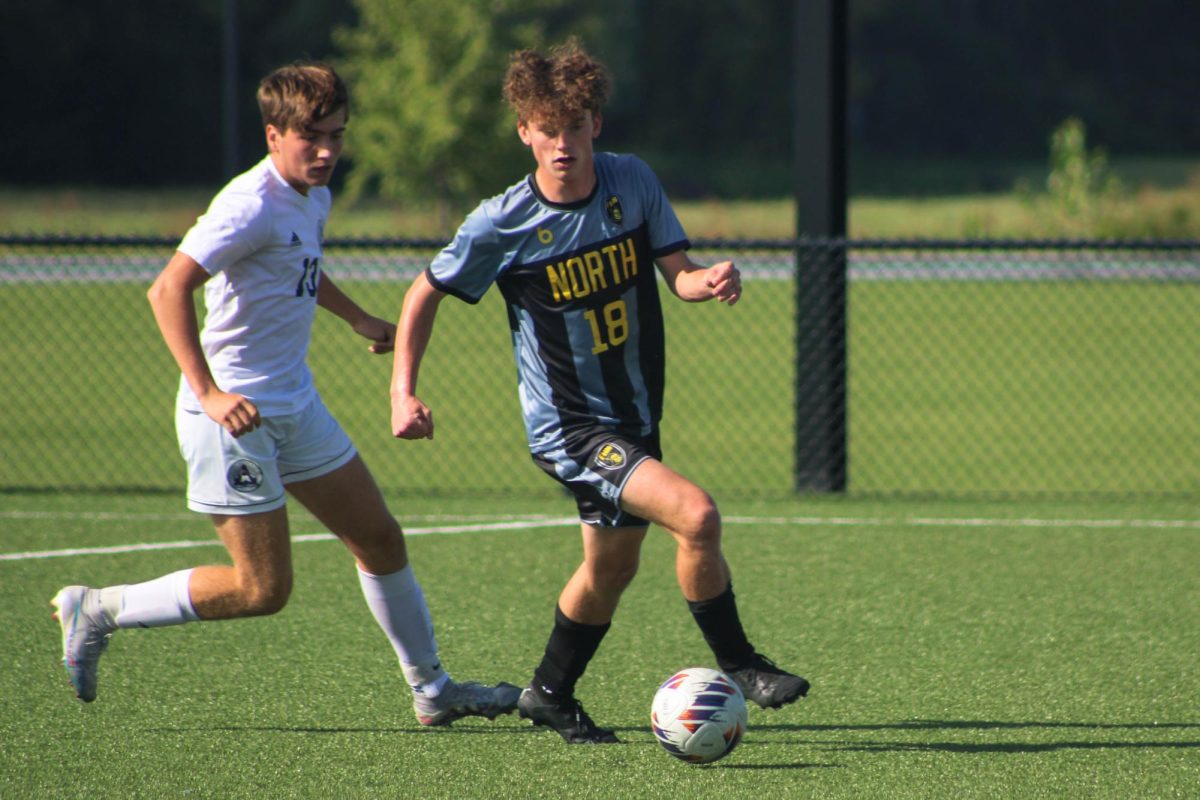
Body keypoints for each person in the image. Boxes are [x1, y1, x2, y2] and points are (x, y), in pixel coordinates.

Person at [51, 62, 520, 726]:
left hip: (295, 405)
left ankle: (433, 691)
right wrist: (210, 392)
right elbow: (167, 289)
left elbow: (300, 267)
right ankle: (98, 608)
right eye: (312, 138)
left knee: (380, 540)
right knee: (261, 590)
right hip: (234, 419)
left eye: (337, 135)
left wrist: (355, 316)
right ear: (274, 135)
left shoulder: (311, 193)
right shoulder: (249, 204)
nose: (328, 151)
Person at [389, 39, 809, 744]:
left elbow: (678, 272)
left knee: (609, 569)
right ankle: (740, 666)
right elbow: (423, 293)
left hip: (635, 417)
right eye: (546, 129)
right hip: (571, 427)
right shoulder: (502, 223)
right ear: (524, 131)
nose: (562, 143)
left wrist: (706, 281)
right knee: (696, 517)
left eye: (574, 126)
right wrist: (403, 393)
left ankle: (549, 692)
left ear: (596, 126)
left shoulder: (632, 183)